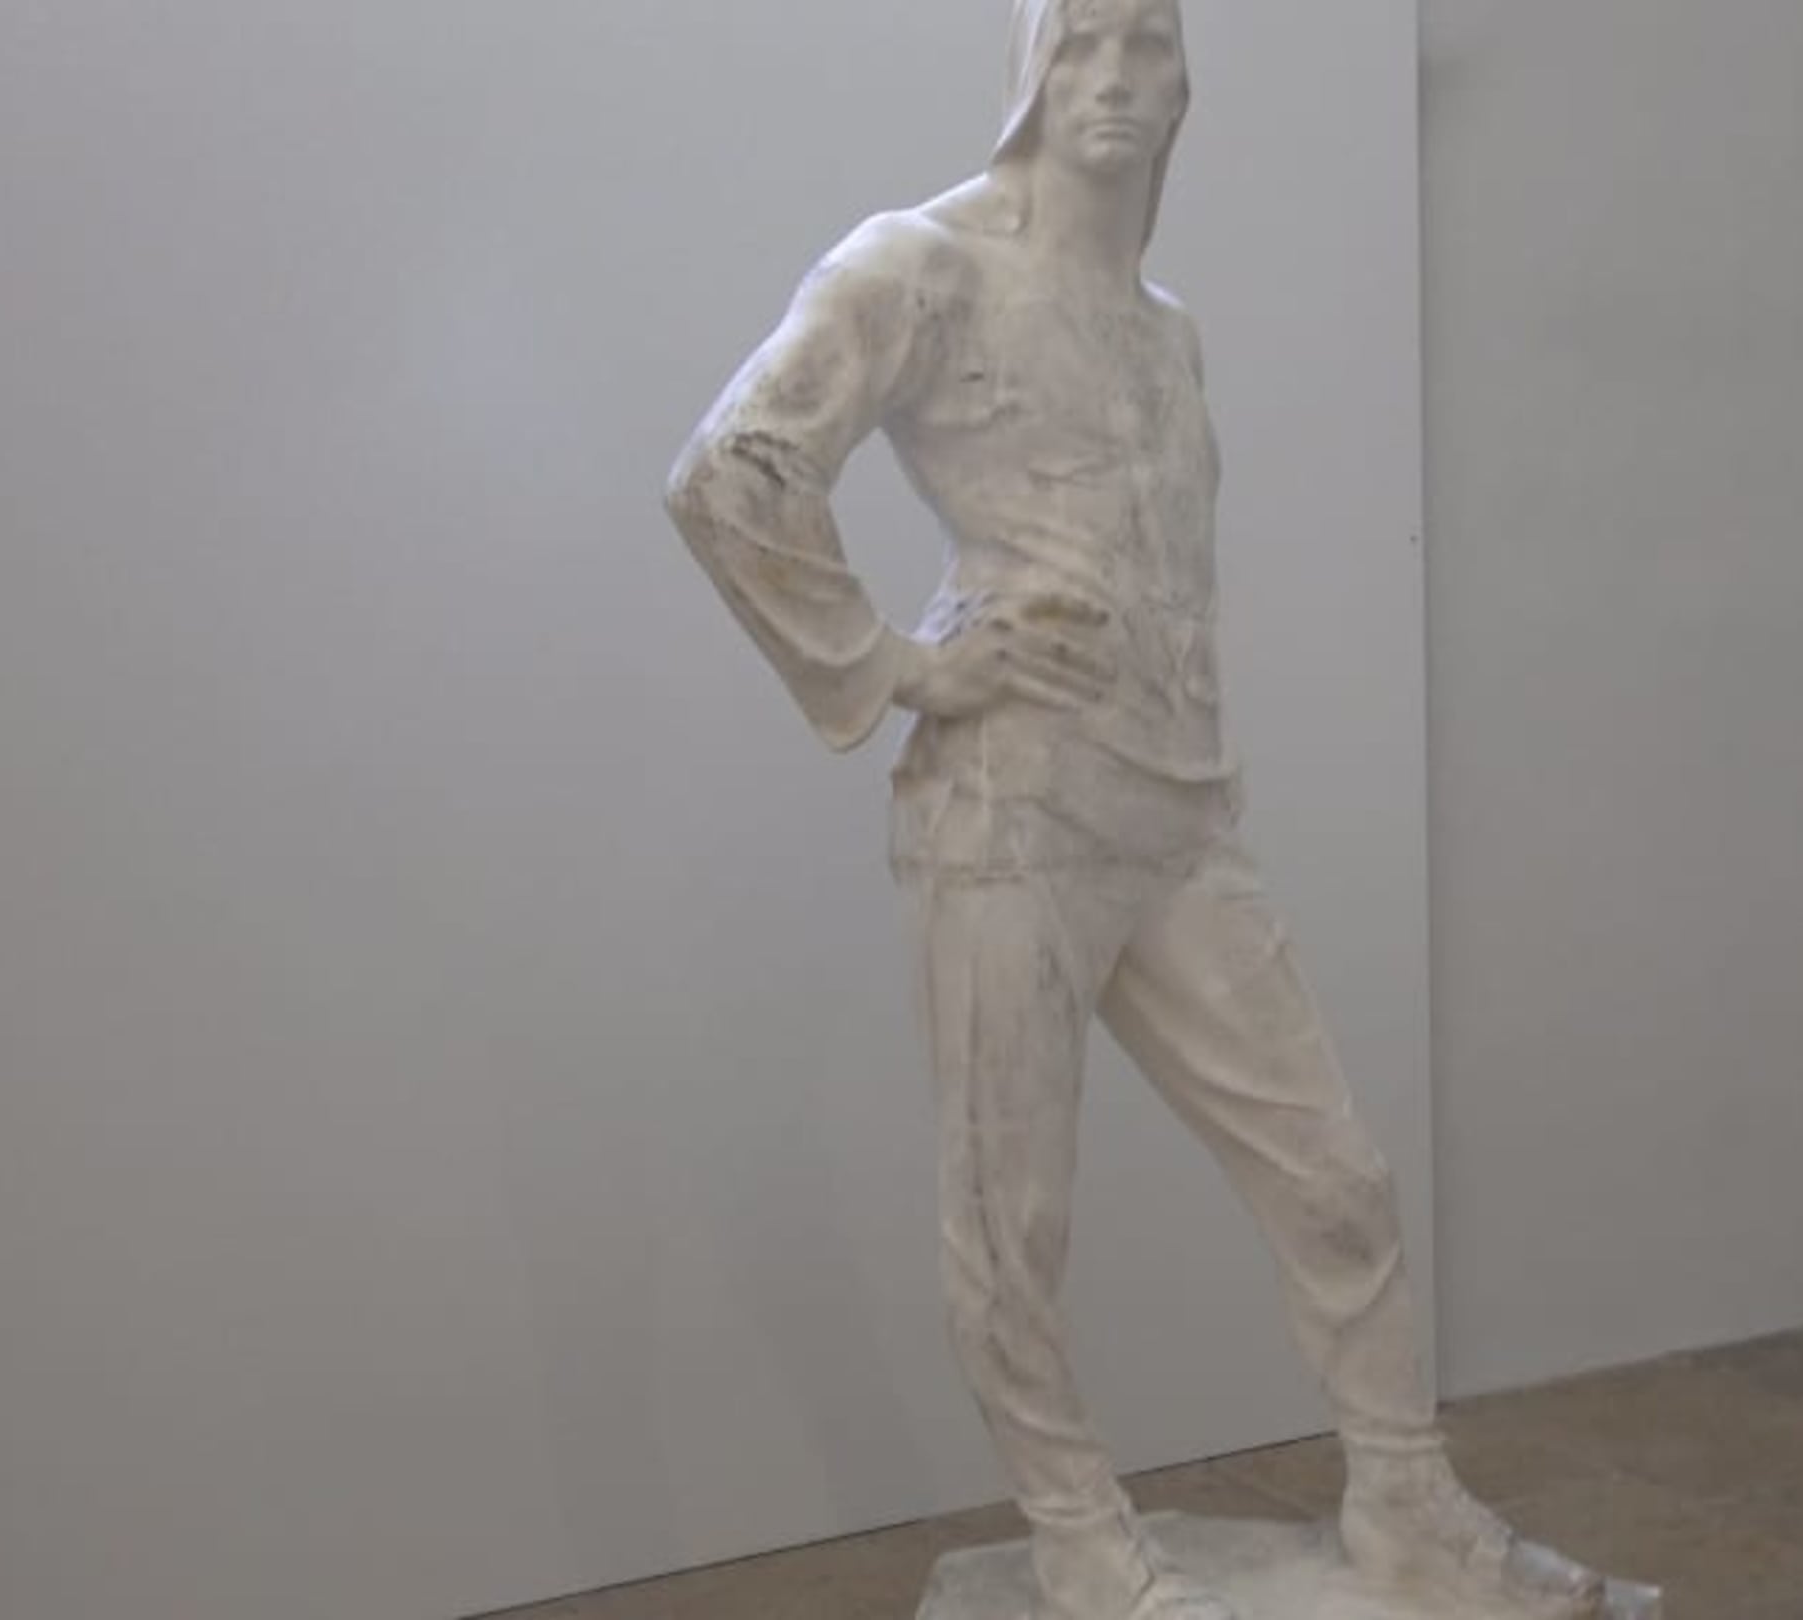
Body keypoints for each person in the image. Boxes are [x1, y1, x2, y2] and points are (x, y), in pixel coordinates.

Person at [664, 3, 1611, 1615]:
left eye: (1148, 44)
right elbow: (733, 469)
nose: (1114, 79)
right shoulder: (920, 265)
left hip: (1174, 814)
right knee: (1010, 1218)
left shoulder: (1166, 331)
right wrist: (898, 665)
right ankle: (1081, 1542)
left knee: (1336, 1175)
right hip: (1007, 810)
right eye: (1084, 39)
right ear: (1031, 66)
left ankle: (1405, 1502)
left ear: (1185, 84)